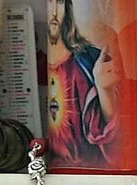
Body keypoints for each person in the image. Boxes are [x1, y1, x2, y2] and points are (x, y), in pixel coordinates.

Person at [45, 0, 121, 167]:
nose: (55, 13)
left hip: (96, 173)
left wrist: (103, 90)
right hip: (58, 175)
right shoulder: (46, 63)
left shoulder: (92, 61)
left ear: (69, 8)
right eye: (51, 3)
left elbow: (116, 134)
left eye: (60, 3)